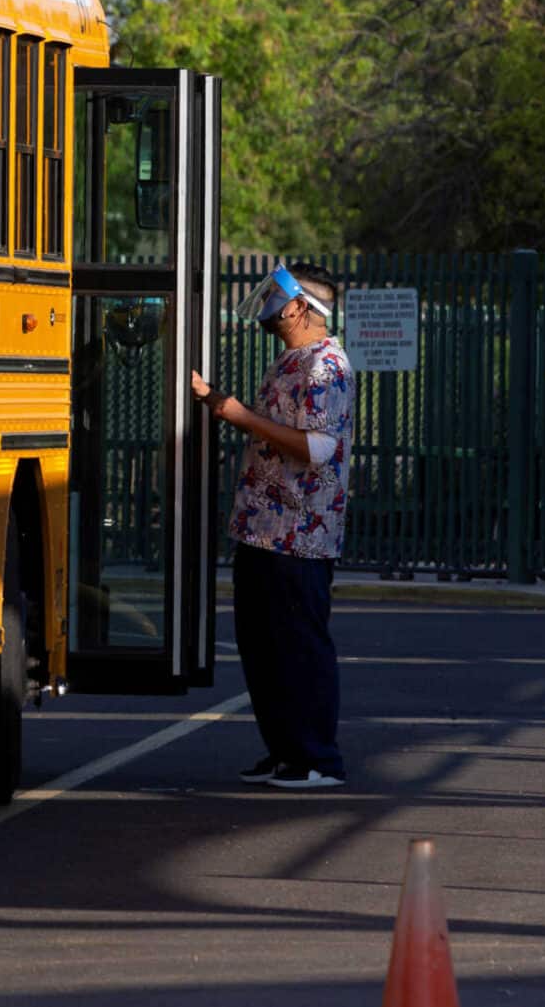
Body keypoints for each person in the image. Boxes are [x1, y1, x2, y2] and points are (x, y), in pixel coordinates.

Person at [190, 262, 355, 790]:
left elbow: (319, 447)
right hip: (262, 529)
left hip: (300, 536)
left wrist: (237, 414)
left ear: (300, 306)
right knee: (263, 648)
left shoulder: (326, 366)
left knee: (299, 647)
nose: (266, 306)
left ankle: (317, 760)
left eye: (275, 297)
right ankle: (285, 751)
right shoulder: (289, 361)